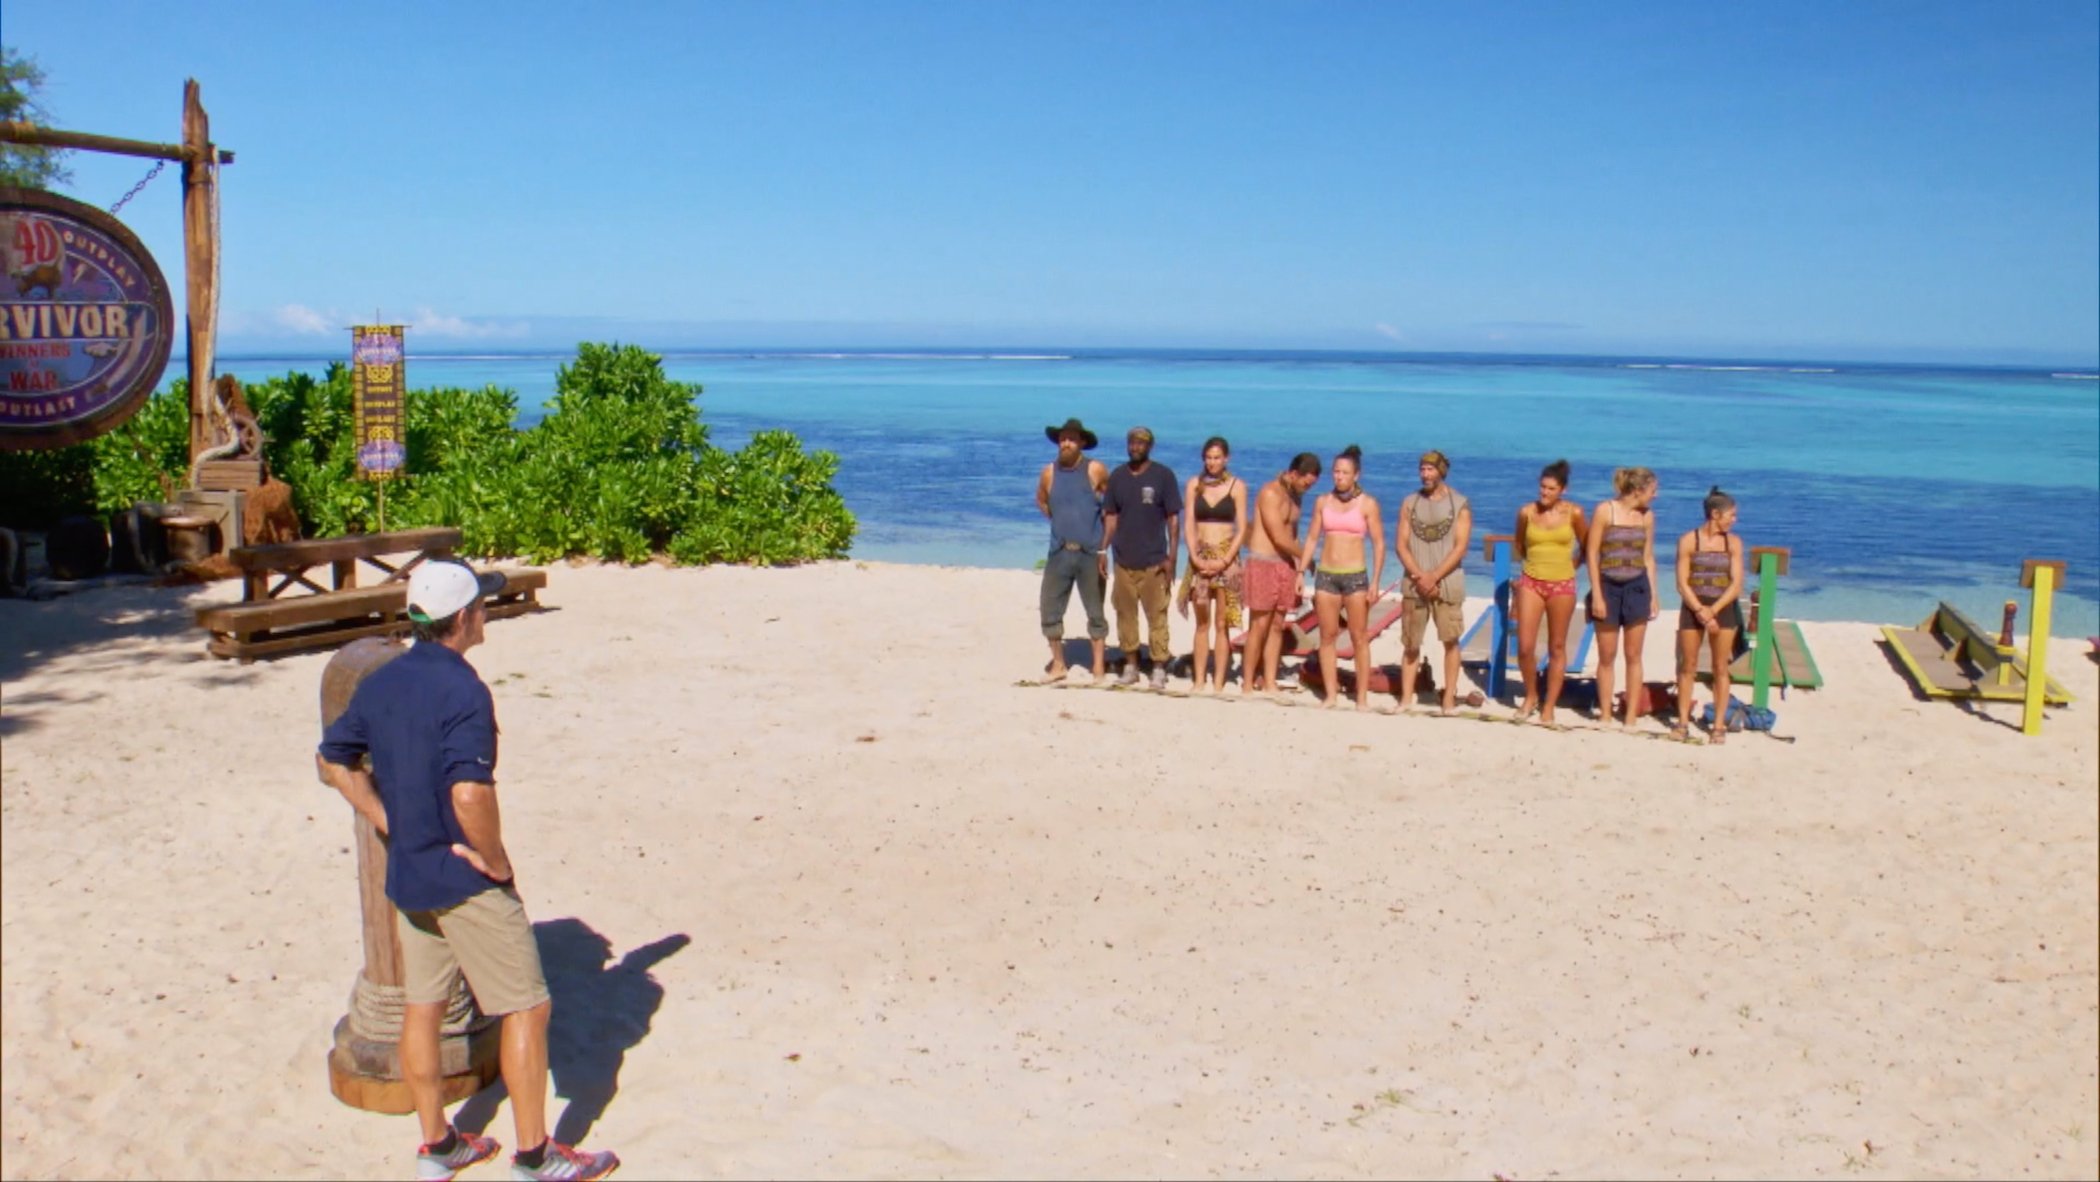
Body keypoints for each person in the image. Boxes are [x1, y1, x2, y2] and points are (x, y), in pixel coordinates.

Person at [317, 559, 620, 1182]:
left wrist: (389, 819)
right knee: (527, 1008)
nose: (485, 612)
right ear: (464, 618)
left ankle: (438, 1145)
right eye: (481, 604)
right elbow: (469, 794)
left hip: (410, 874)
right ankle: (536, 1155)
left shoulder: (381, 682)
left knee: (422, 1006)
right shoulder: (464, 690)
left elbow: (333, 760)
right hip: (463, 878)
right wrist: (496, 861)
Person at [1299, 445, 1386, 710]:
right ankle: (1331, 695)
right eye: (1336, 471)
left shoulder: (1367, 504)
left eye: (1344, 472)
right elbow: (1313, 537)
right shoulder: (1322, 502)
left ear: (1356, 475)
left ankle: (1361, 698)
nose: (1339, 476)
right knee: (1327, 637)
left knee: (1359, 637)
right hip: (1327, 576)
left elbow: (1379, 544)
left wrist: (1375, 582)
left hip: (1355, 577)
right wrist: (1300, 572)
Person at [1103, 426, 1183, 689]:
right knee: (1125, 615)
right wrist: (1102, 550)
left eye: (1141, 443)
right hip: (1124, 561)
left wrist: (1172, 557)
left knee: (1157, 615)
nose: (1135, 447)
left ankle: (1159, 666)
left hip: (1154, 562)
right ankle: (1131, 665)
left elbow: (1173, 520)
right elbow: (1111, 518)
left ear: (1150, 446)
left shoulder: (1163, 476)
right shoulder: (1117, 477)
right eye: (1132, 442)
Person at [1511, 459, 1588, 726]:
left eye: (1551, 488)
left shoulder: (1574, 514)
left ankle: (1549, 707)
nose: (1544, 493)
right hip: (1531, 581)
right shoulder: (1526, 512)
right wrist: (1534, 565)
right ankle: (1531, 695)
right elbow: (1519, 544)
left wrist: (1572, 566)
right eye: (1542, 487)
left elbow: (1587, 545)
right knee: (1525, 647)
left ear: (1562, 490)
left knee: (1557, 646)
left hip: (1562, 584)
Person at [1395, 450, 1473, 714]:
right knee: (1410, 643)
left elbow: (1460, 547)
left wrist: (1435, 576)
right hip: (1415, 582)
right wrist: (1419, 575)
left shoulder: (1459, 504)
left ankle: (1449, 697)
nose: (1425, 475)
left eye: (1430, 470)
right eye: (1422, 470)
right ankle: (1406, 698)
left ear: (1441, 471)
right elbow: (1401, 545)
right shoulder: (1409, 503)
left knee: (1450, 640)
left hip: (1447, 583)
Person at [1035, 417, 1110, 682]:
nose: (1065, 443)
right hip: (1059, 552)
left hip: (1090, 553)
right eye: (1062, 439)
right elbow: (1042, 501)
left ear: (1082, 443)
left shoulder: (1095, 470)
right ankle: (1059, 664)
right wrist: (1061, 522)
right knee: (1049, 608)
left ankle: (1098, 667)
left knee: (1095, 611)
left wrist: (1103, 547)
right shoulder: (1049, 473)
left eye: (1071, 439)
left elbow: (1110, 507)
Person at [1242, 453, 1322, 695]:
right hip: (1263, 562)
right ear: (1294, 474)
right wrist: (1307, 558)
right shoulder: (1270, 492)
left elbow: (1293, 534)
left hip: (1285, 565)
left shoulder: (1296, 497)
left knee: (1278, 625)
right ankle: (1247, 682)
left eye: (1311, 485)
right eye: (1305, 483)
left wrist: (1299, 567)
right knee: (1260, 625)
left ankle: (1269, 680)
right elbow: (1278, 536)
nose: (1307, 488)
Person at [1587, 467, 1661, 730]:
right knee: (1607, 655)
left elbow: (1648, 557)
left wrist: (1653, 594)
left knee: (1634, 655)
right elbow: (1592, 554)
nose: (1656, 495)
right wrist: (1596, 593)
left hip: (1637, 587)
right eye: (1653, 490)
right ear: (1638, 490)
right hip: (1608, 585)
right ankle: (1606, 713)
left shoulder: (1647, 517)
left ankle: (1630, 716)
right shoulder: (1605, 511)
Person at [1674, 486, 1746, 743]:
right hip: (1693, 607)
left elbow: (1736, 584)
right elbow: (1682, 582)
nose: (1734, 520)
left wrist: (1713, 611)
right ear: (1715, 514)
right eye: (1731, 515)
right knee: (1688, 666)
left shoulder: (1733, 543)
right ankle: (1682, 722)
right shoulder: (1688, 540)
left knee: (1720, 668)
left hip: (1723, 608)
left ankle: (1718, 726)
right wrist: (1700, 611)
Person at [1178, 436, 1248, 694]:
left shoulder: (1237, 486)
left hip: (1226, 559)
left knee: (1222, 624)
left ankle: (1218, 681)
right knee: (1202, 623)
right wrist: (1195, 557)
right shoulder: (1193, 485)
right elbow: (1188, 523)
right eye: (1208, 457)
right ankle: (1199, 679)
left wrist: (1225, 559)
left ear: (1226, 459)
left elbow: (1242, 528)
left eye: (1217, 457)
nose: (1212, 462)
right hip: (1200, 558)